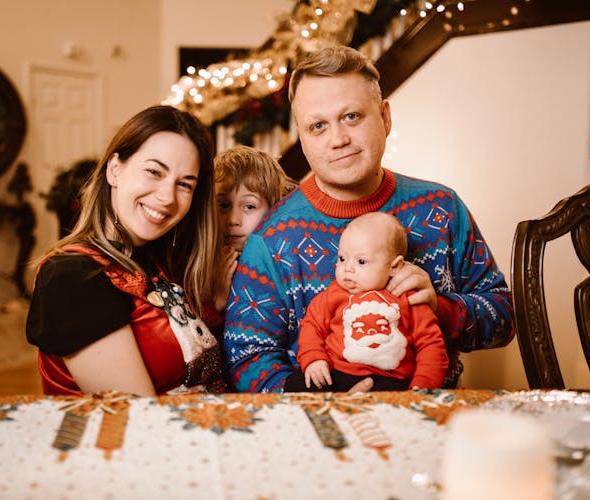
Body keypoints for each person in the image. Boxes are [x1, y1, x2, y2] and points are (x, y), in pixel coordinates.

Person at [223, 46, 514, 393]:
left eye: (352, 117)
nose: (339, 139)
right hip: (316, 430)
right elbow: (246, 360)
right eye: (318, 126)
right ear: (302, 139)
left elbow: (503, 319)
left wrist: (441, 308)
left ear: (385, 117)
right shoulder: (271, 240)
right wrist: (320, 397)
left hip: (429, 423)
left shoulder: (443, 209)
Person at [26, 105, 227, 396]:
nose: (167, 197)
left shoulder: (154, 259)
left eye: (184, 184)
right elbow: (136, 418)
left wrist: (216, 306)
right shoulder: (72, 277)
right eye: (154, 172)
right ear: (115, 169)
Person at [284, 213, 448, 392]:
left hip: (388, 381)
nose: (348, 268)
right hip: (335, 373)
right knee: (297, 383)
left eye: (361, 261)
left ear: (394, 266)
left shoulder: (408, 298)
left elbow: (431, 344)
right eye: (342, 258)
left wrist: (423, 386)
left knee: (397, 409)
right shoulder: (333, 294)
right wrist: (314, 359)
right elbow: (312, 326)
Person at [213, 145, 298, 312]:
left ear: (273, 210)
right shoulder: (201, 263)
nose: (233, 220)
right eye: (223, 205)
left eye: (249, 206)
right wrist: (216, 304)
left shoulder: (283, 265)